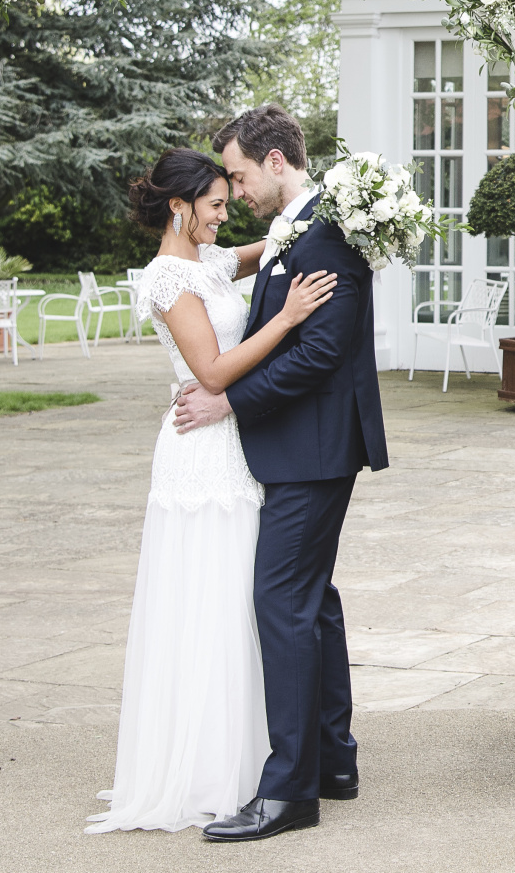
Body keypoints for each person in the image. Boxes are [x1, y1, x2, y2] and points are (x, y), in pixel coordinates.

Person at [87, 147, 336, 834]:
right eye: (216, 205)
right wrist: (286, 318)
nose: (227, 216)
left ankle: (253, 755)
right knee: (205, 598)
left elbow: (268, 246)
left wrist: (308, 215)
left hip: (236, 451)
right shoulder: (170, 277)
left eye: (231, 202)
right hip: (200, 453)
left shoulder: (213, 260)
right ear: (179, 206)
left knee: (240, 600)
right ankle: (203, 768)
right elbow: (214, 370)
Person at [173, 104, 389, 844]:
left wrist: (227, 400)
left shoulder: (324, 232)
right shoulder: (295, 228)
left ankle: (289, 788)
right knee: (312, 599)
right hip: (309, 445)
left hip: (314, 445)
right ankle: (333, 760)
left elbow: (318, 354)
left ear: (273, 161)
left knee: (280, 602)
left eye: (237, 173)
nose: (233, 190)